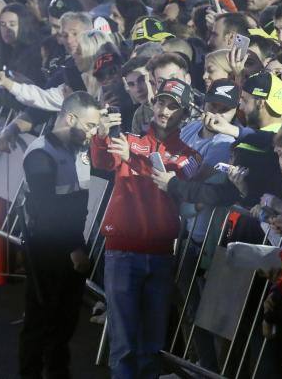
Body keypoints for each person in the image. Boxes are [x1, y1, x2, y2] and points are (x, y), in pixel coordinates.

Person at [90, 79, 201, 378]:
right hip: (122, 251)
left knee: (151, 348)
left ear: (184, 112)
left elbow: (181, 184)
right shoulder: (128, 138)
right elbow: (101, 160)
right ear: (153, 104)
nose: (164, 110)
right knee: (124, 346)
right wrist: (102, 134)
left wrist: (133, 159)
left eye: (173, 105)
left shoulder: (191, 155)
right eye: (161, 102)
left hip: (162, 255)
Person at [19, 92, 102, 379]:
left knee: (65, 323)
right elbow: (47, 211)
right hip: (45, 248)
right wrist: (75, 248)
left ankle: (57, 374)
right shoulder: (41, 154)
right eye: (90, 126)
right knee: (41, 321)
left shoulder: (79, 150)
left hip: (70, 245)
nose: (93, 133)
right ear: (71, 118)